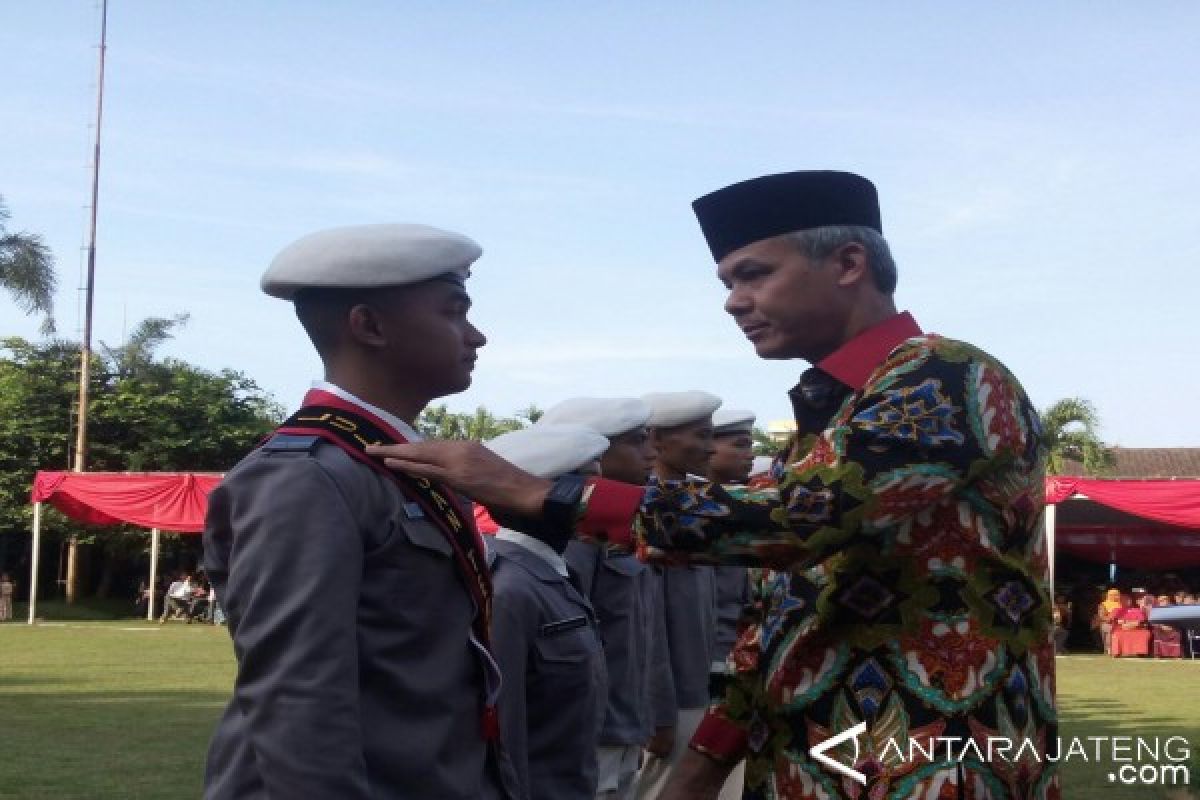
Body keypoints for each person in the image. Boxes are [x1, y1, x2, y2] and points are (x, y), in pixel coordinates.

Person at [370, 170, 1057, 799]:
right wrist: (705, 763)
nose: (734, 302)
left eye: (753, 274)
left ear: (849, 263)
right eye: (727, 282)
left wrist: (543, 492)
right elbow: (787, 616)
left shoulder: (944, 376)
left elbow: (796, 519)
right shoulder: (837, 423)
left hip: (934, 764)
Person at [202, 224, 519, 799]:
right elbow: (298, 696)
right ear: (369, 326)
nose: (477, 336)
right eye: (454, 313)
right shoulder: (306, 476)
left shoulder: (392, 464)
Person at [539, 397, 667, 800]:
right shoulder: (573, 541)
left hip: (625, 725)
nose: (652, 452)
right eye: (635, 442)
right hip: (588, 738)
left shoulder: (626, 532)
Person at [485, 423, 611, 800]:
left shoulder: (553, 571)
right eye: (589, 490)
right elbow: (503, 731)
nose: (600, 502)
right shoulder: (509, 589)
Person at [635, 391, 722, 800]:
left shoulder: (704, 507)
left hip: (699, 686)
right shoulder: (645, 514)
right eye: (701, 435)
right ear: (656, 440)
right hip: (673, 699)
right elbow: (647, 627)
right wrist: (660, 713)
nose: (710, 447)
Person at [705, 408, 758, 800]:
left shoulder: (744, 508)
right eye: (739, 445)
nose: (751, 454)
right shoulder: (683, 515)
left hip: (734, 669)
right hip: (696, 680)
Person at [1095, 587, 1123, 654]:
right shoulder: (1103, 604)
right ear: (1110, 595)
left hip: (1119, 623)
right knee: (1109, 628)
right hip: (1107, 623)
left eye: (1118, 594)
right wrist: (1110, 619)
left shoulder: (1120, 604)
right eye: (1115, 595)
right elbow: (1101, 617)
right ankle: (1109, 648)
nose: (1117, 596)